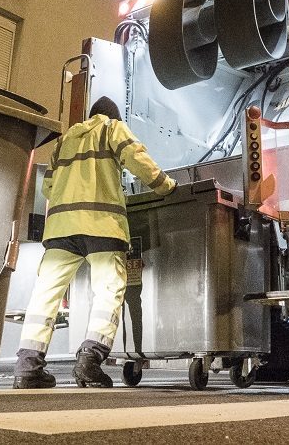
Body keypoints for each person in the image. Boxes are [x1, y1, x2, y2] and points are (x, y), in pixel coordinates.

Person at [14, 96, 176, 389]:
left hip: (61, 228)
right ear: (112, 117)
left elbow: (48, 187)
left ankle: (27, 367)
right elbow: (137, 159)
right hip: (101, 224)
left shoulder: (63, 142)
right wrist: (165, 185)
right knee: (108, 291)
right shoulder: (112, 129)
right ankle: (90, 360)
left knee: (45, 295)